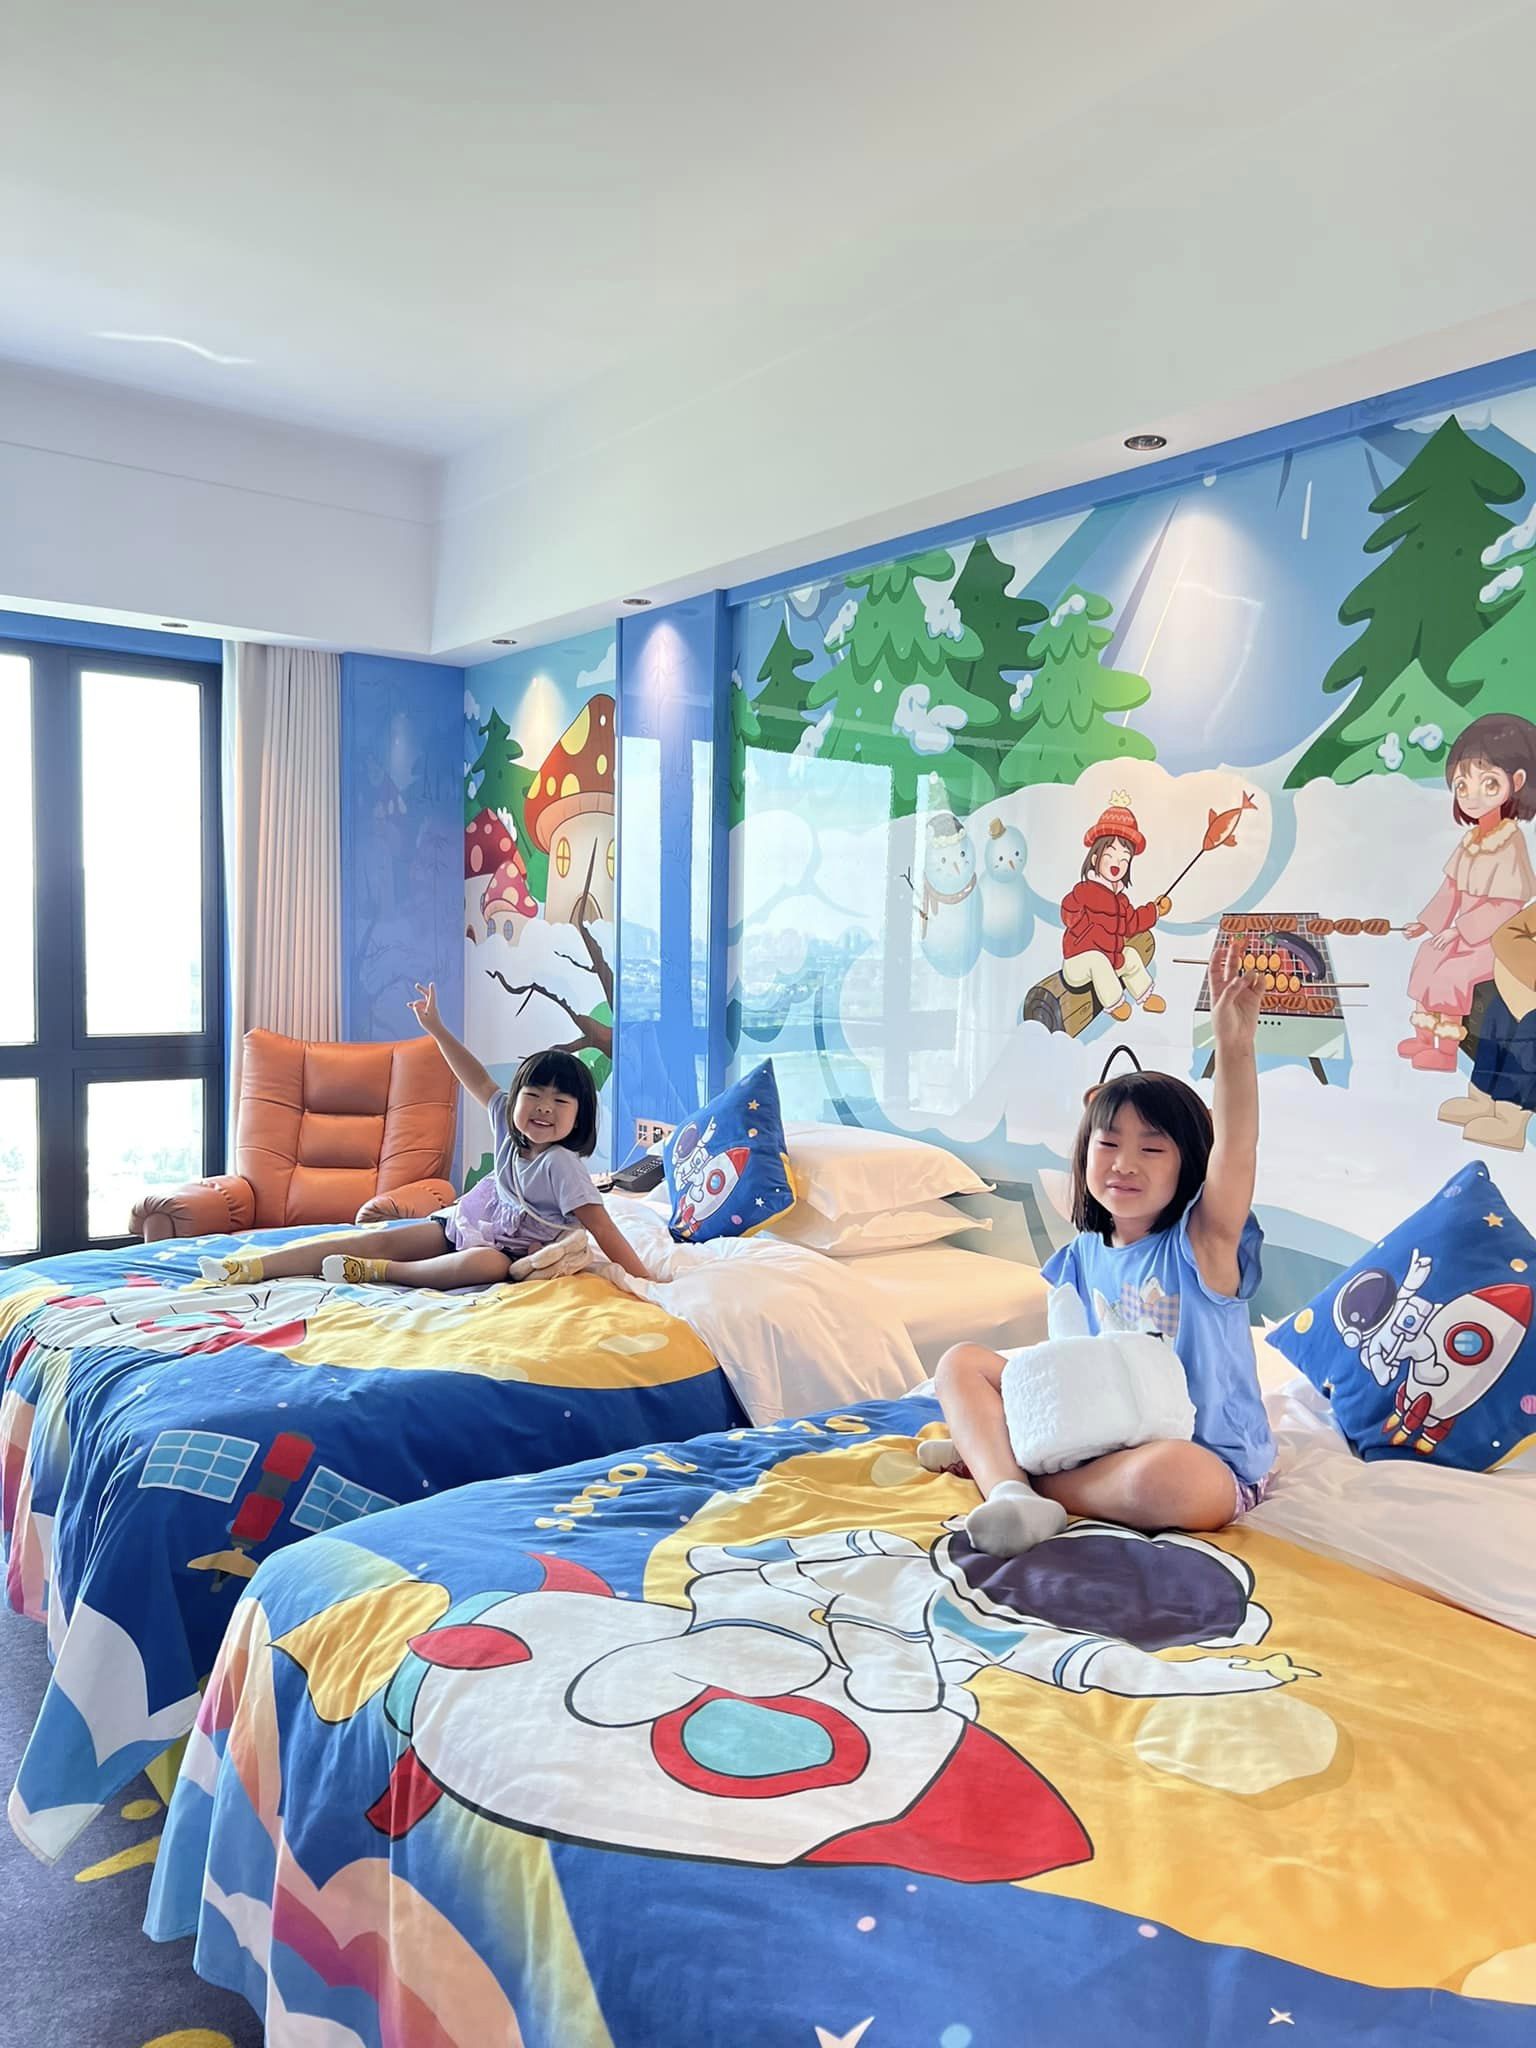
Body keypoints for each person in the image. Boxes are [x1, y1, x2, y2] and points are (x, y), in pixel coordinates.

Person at [931, 944, 1273, 1555]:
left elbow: (1237, 1150)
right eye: (1108, 1144)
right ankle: (1009, 1491)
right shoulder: (1080, 1259)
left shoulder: (1202, 1246)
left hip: (1200, 1459)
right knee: (961, 1363)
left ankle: (1021, 1478)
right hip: (1100, 1439)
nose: (1124, 1164)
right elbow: (1067, 1376)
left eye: (1152, 1148)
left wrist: (1233, 1047)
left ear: (1190, 1162)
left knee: (1179, 1479)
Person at [199, 983, 663, 1290]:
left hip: (508, 1252)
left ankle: (380, 1274)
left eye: (561, 1101)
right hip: (472, 1222)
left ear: (579, 1118)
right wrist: (436, 1029)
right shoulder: (507, 1123)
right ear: (517, 1099)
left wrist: (645, 1281)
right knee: (376, 1237)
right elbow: (476, 1077)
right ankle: (254, 1265)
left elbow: (602, 1228)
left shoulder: (561, 1165)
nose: (544, 1107)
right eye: (534, 1095)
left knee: (488, 1265)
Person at [1400, 711, 1536, 1076]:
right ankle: (1423, 1038)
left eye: (1488, 783)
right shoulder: (1471, 840)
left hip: (1493, 939)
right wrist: (1427, 924)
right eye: (1462, 786)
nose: (1471, 796)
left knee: (1453, 975)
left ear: (1516, 782)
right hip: (1463, 934)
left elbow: (1506, 906)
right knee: (1427, 957)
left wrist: (1459, 930)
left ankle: (1445, 1050)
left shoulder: (1510, 842)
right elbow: (1451, 889)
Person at [1059, 793, 1171, 1021]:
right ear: (1095, 859)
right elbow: (1068, 912)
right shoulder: (1084, 890)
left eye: (1124, 859)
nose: (1116, 864)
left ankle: (1145, 995)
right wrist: (1078, 921)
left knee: (1129, 954)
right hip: (1078, 964)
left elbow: (1132, 924)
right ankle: (1114, 1003)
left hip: (1111, 960)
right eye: (1110, 856)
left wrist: (1155, 910)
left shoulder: (1120, 900)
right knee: (1097, 959)